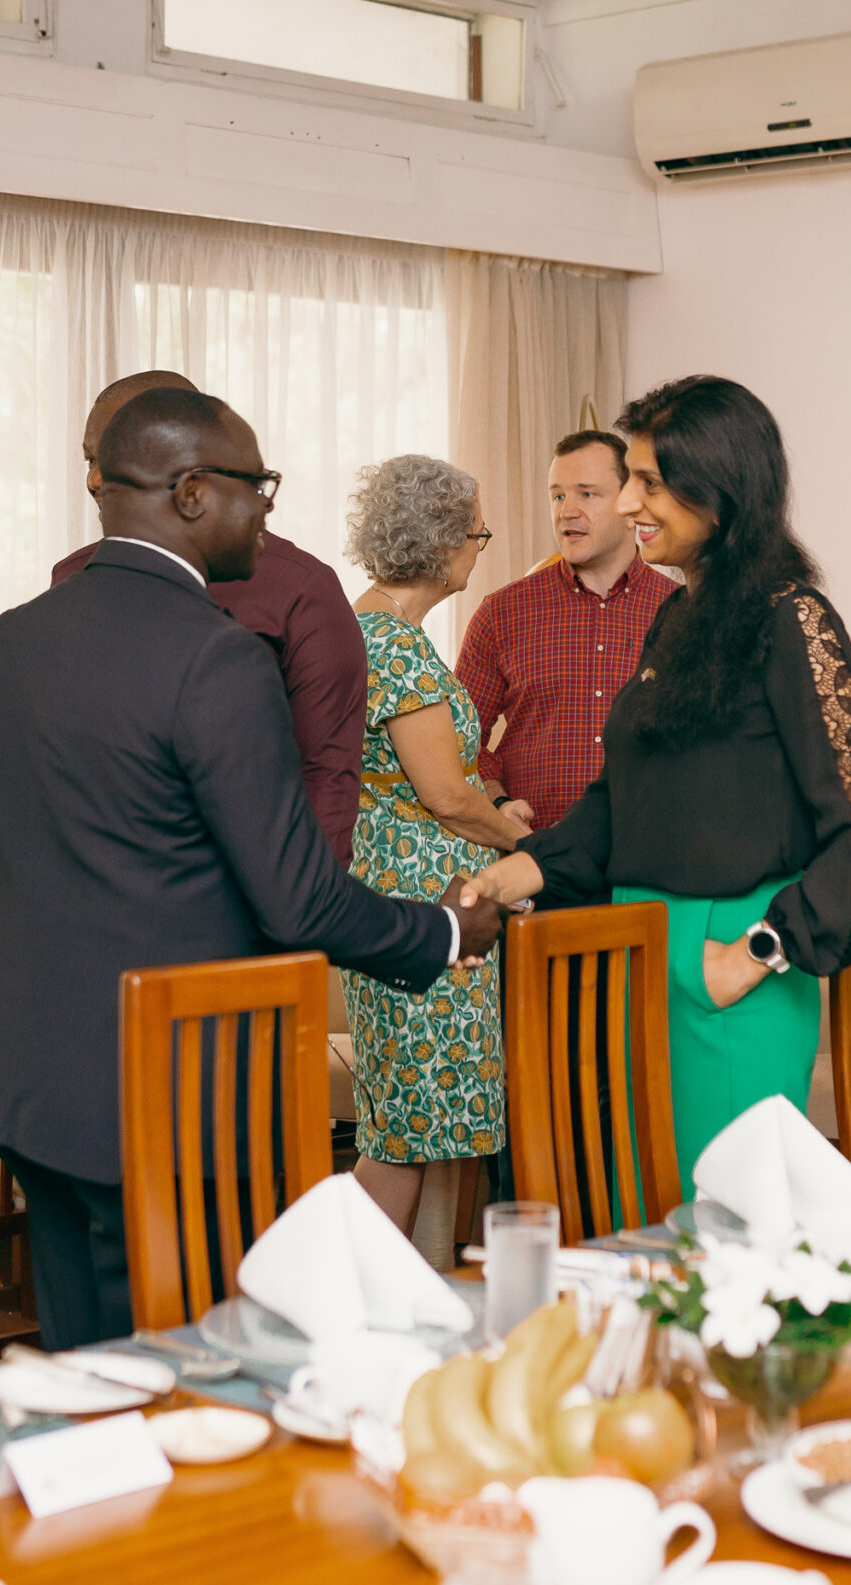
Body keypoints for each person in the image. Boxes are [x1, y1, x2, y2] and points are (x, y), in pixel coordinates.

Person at [0, 389, 503, 1350]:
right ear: (195, 492)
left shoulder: (9, 638)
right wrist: (446, 930)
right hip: (171, 1098)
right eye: (258, 486)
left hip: (29, 1088)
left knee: (88, 1363)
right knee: (190, 1371)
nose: (267, 512)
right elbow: (295, 898)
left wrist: (3, 1029)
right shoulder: (218, 658)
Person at [469, 376, 851, 1181]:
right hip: (642, 950)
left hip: (727, 967)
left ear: (720, 490)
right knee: (649, 1222)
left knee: (723, 1225)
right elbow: (625, 800)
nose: (628, 503)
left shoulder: (791, 617)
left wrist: (757, 951)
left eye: (649, 482)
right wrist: (517, 872)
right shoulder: (676, 616)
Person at [51, 372, 369, 863]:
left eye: (109, 455)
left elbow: (325, 778)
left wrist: (304, 905)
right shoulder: (71, 577)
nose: (93, 480)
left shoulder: (301, 588)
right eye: (90, 460)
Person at [340, 455, 531, 1244]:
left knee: (405, 1126)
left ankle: (383, 1292)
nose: (479, 549)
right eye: (477, 534)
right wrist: (533, 845)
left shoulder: (366, 626)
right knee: (405, 1136)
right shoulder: (395, 645)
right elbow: (445, 794)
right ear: (443, 540)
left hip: (397, 895)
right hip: (424, 908)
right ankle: (345, 1294)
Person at [455, 429, 677, 833]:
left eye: (586, 494)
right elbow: (462, 740)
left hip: (653, 851)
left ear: (631, 505)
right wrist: (498, 802)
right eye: (557, 496)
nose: (567, 511)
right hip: (537, 854)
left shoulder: (684, 614)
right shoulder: (502, 613)